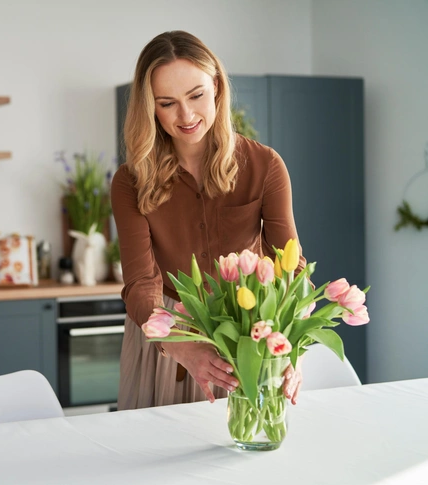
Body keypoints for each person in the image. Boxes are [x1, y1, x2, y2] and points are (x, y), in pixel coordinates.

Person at [111, 30, 307, 410]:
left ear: (216, 86)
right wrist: (181, 346)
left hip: (247, 330)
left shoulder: (265, 167)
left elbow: (289, 267)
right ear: (150, 106)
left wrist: (289, 345)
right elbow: (140, 281)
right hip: (166, 336)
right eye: (167, 103)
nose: (185, 116)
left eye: (196, 95)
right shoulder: (130, 181)